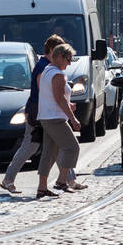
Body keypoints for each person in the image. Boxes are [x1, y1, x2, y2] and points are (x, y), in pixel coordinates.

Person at [1, 35, 66, 194]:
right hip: (37, 112)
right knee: (30, 146)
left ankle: (68, 180)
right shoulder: (43, 66)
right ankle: (8, 179)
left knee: (55, 145)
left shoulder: (47, 65)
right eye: (59, 53)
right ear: (51, 50)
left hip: (42, 111)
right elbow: (45, 91)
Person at [35, 44, 85, 199]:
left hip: (46, 116)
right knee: (72, 147)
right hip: (55, 118)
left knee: (49, 154)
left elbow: (52, 96)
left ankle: (42, 188)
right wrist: (73, 118)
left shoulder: (47, 71)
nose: (69, 64)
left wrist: (68, 105)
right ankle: (61, 181)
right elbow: (59, 97)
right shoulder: (57, 74)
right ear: (59, 57)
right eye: (68, 60)